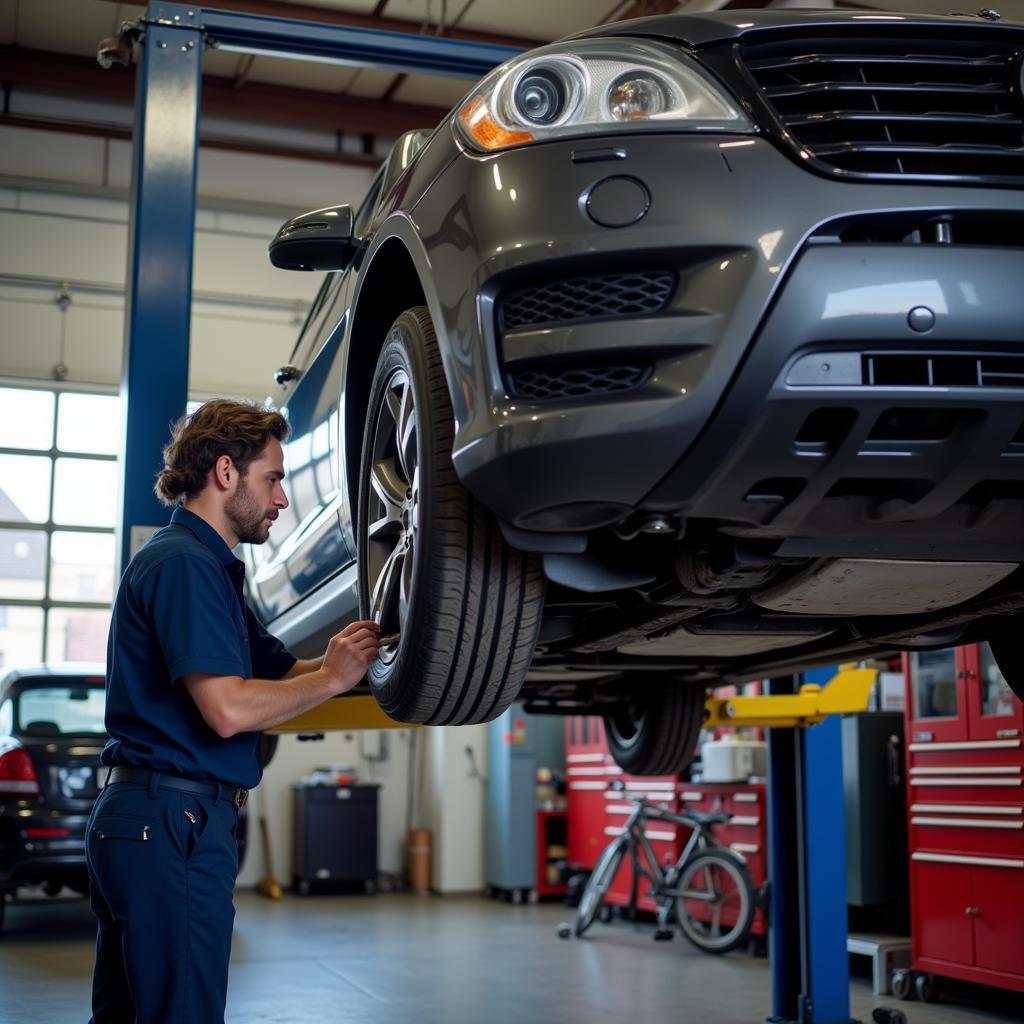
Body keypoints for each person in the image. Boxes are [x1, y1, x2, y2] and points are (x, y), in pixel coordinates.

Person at [86, 399, 380, 1024]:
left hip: (150, 819)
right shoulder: (186, 565)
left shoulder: (207, 568)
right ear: (226, 472)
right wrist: (330, 679)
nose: (282, 499)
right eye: (273, 479)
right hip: (173, 823)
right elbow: (226, 709)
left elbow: (280, 673)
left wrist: (355, 662)